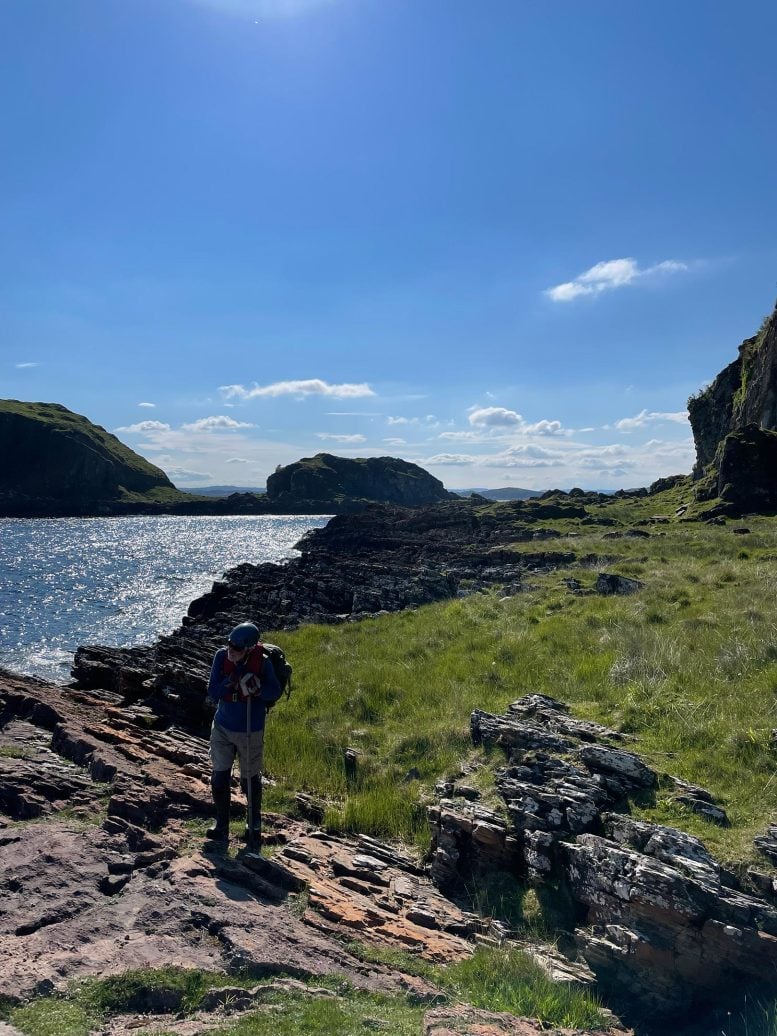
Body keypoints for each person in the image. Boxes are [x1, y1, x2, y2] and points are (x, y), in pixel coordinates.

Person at [205, 621, 281, 847]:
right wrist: (230, 682)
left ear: (248, 649)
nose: (231, 650)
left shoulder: (263, 663)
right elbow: (213, 691)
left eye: (236, 648)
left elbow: (273, 691)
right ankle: (221, 826)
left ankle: (253, 822)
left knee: (249, 779)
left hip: (251, 729)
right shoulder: (221, 657)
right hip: (222, 726)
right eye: (229, 644)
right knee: (219, 776)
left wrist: (256, 688)